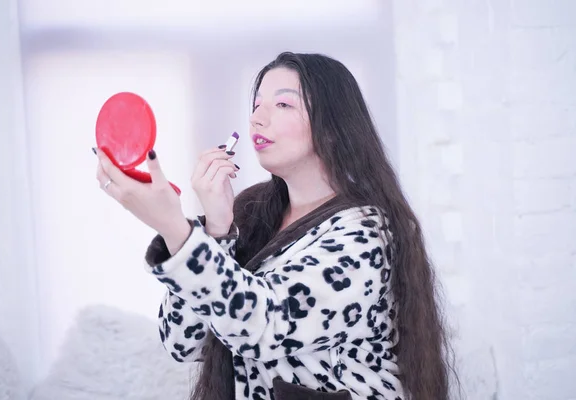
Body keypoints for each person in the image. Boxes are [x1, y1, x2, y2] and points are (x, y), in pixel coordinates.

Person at [94, 52, 457, 400]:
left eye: (283, 105)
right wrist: (217, 230)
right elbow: (183, 343)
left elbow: (265, 326)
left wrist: (177, 230)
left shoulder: (367, 234)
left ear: (332, 127)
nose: (257, 119)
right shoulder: (251, 213)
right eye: (256, 105)